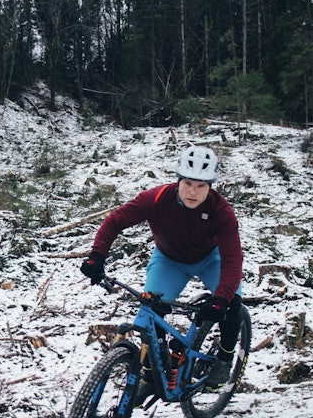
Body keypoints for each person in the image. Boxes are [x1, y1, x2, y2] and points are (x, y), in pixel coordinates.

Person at [79, 145, 244, 391]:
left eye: (201, 186)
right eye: (188, 183)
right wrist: (97, 256)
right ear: (178, 181)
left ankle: (225, 358)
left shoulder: (221, 211)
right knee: (149, 315)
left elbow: (233, 259)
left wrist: (221, 299)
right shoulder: (156, 199)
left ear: (210, 187)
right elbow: (114, 221)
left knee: (232, 305)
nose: (193, 191)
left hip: (212, 260)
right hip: (169, 261)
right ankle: (150, 377)